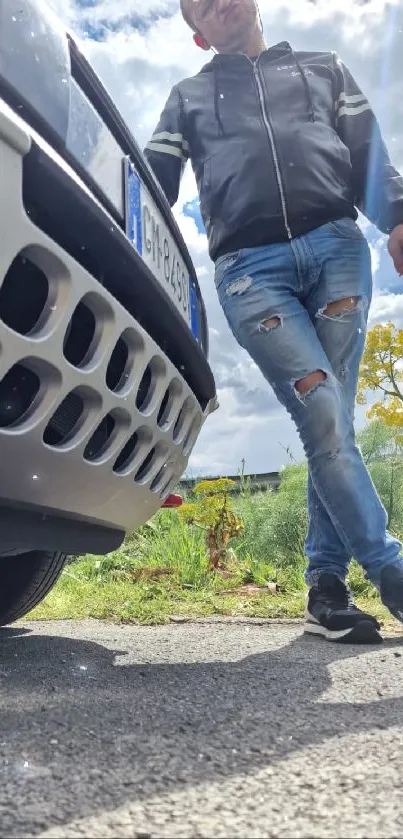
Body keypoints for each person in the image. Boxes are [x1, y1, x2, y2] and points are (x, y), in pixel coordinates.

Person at [144, 0, 403, 643]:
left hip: (339, 251)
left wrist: (398, 216)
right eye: (199, 4)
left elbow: (368, 152)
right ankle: (392, 570)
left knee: (332, 421)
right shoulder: (186, 98)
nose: (218, 2)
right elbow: (150, 182)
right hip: (250, 271)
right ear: (197, 34)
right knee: (320, 411)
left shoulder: (325, 67)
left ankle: (325, 589)